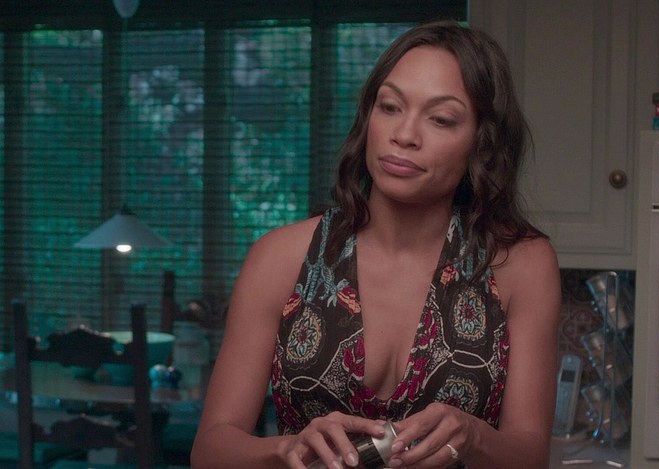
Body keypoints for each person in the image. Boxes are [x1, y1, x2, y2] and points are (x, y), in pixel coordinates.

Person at [191, 20, 560, 469]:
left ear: (481, 142)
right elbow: (210, 450)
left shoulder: (520, 263)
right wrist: (285, 449)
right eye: (390, 106)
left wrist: (474, 436)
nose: (404, 134)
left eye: (441, 119)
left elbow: (531, 454)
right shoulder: (280, 257)